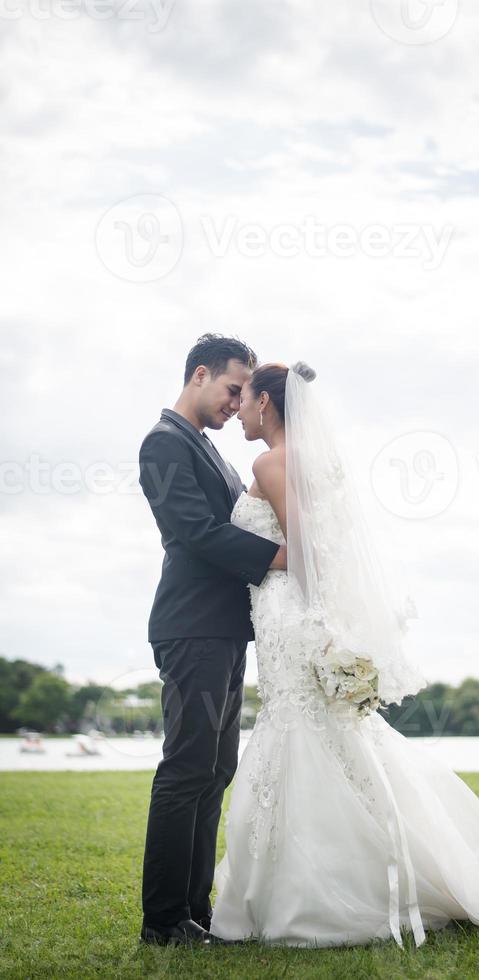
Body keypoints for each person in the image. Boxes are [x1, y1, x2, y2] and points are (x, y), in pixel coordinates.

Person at [210, 360, 479, 947]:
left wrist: (300, 613)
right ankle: (331, 877)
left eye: (244, 399)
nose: (239, 409)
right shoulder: (312, 462)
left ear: (267, 403)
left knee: (301, 733)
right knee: (323, 738)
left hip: (290, 618)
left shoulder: (271, 461)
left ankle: (313, 896)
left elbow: (306, 554)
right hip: (295, 617)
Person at [138, 334, 286, 946]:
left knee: (215, 769)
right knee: (187, 769)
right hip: (192, 627)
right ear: (200, 375)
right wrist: (284, 558)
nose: (237, 403)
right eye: (231, 389)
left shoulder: (208, 449)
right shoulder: (163, 443)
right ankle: (163, 921)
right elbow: (196, 532)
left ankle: (194, 913)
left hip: (223, 631)